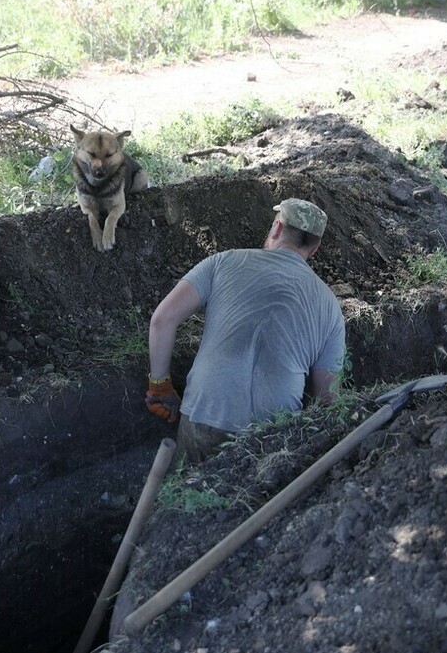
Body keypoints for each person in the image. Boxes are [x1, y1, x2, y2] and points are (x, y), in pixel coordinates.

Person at [144, 198, 347, 463]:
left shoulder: (223, 262)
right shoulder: (330, 305)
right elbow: (328, 400)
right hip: (274, 432)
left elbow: (162, 319)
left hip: (207, 413)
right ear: (315, 248)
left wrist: (160, 386)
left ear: (276, 228)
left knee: (187, 496)